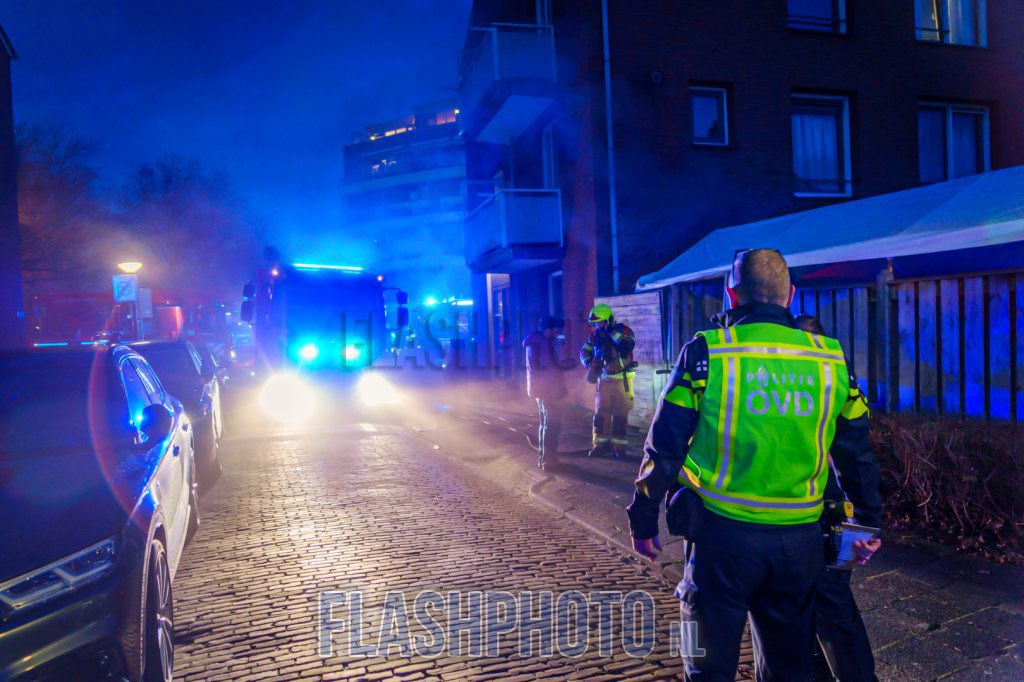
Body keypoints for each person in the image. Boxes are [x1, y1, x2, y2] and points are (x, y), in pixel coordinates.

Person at [626, 249, 882, 681]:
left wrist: (643, 516)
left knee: (705, 665)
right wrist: (867, 524)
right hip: (799, 545)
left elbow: (665, 442)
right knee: (789, 670)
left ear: (731, 295)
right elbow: (857, 454)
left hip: (719, 542)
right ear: (790, 296)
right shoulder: (830, 359)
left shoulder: (708, 352)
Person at [794, 313, 879, 682]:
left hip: (805, 516)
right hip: (832, 509)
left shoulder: (779, 380)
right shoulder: (839, 377)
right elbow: (859, 454)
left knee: (818, 611)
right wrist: (869, 520)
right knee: (831, 611)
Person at [579, 303, 636, 458]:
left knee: (620, 416)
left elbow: (626, 346)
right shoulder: (594, 336)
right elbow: (584, 351)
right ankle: (600, 445)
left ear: (609, 320)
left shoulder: (624, 331)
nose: (598, 326)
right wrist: (589, 364)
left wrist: (612, 333)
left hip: (622, 381)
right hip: (603, 381)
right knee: (600, 415)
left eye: (601, 322)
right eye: (596, 323)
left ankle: (619, 448)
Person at [523, 315, 568, 470]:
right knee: (552, 425)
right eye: (555, 330)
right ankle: (549, 461)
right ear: (548, 329)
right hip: (548, 392)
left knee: (545, 424)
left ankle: (544, 459)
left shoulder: (537, 342)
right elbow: (546, 370)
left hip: (542, 391)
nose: (556, 333)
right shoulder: (541, 344)